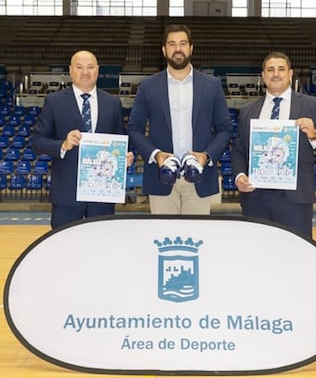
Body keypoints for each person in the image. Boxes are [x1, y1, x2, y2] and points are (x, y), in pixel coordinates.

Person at [127, 24, 232, 215]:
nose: (177, 49)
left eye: (183, 43)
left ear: (191, 48)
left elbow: (225, 129)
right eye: (172, 44)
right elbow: (134, 128)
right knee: (163, 240)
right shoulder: (148, 87)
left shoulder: (212, 85)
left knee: (196, 241)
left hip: (199, 178)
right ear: (164, 50)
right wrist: (156, 154)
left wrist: (206, 156)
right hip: (162, 178)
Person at [231, 51, 316, 239]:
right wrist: (239, 176)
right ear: (263, 75)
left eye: (281, 69)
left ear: (290, 74)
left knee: (296, 258)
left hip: (295, 199)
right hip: (256, 198)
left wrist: (314, 135)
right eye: (270, 70)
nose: (275, 74)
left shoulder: (310, 105)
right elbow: (238, 150)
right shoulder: (248, 111)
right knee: (257, 256)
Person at [32, 50, 133, 228]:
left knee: (100, 249)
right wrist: (62, 144)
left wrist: (126, 156)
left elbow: (122, 140)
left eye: (90, 67)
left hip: (103, 194)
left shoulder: (113, 103)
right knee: (65, 250)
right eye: (79, 67)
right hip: (67, 194)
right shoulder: (54, 101)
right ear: (71, 71)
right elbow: (38, 141)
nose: (85, 72)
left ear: (98, 70)